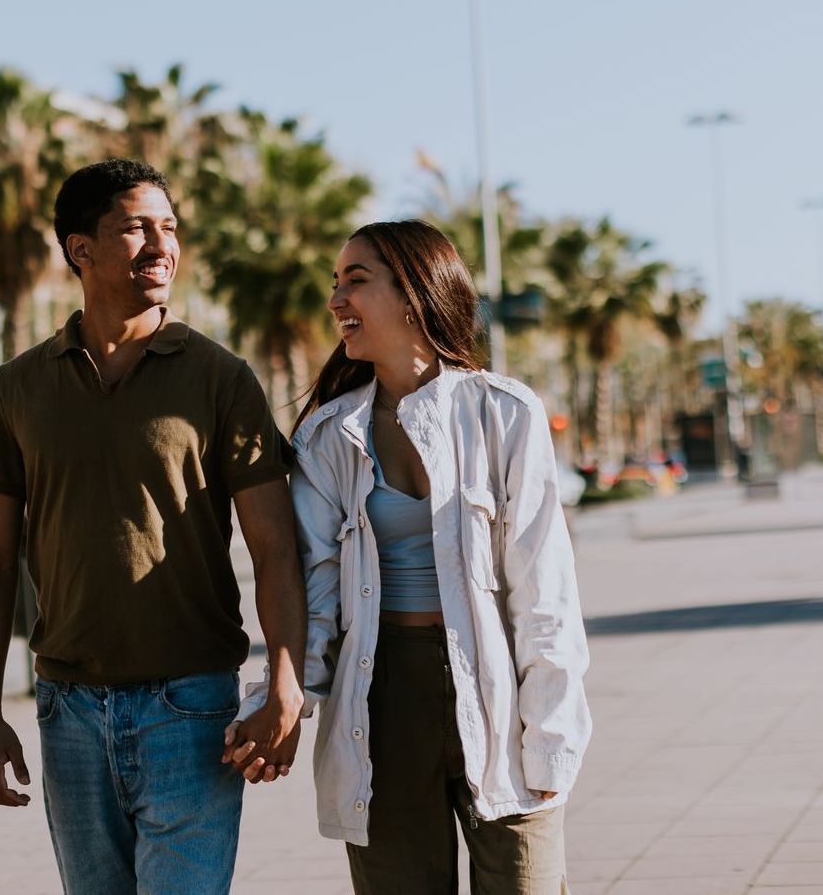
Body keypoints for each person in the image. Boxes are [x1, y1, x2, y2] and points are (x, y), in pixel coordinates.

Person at [0, 158, 306, 895]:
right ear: (80, 249)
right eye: (136, 228)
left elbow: (274, 544)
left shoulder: (220, 378)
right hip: (68, 709)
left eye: (170, 228)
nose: (161, 246)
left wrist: (284, 681)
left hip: (192, 707)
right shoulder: (16, 388)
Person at [237, 220, 591, 894]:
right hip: (380, 702)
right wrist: (281, 702)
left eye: (355, 281)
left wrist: (548, 734)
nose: (336, 300)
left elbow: (544, 590)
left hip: (496, 695)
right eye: (334, 284)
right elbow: (316, 594)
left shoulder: (504, 413)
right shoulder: (326, 436)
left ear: (414, 293)